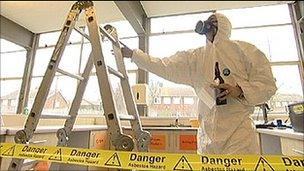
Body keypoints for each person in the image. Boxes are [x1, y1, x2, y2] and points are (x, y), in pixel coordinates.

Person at [121, 13, 277, 154]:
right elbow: (164, 66)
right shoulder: (195, 58)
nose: (209, 23)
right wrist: (134, 55)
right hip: (207, 136)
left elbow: (267, 84)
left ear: (224, 26)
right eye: (209, 20)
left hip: (239, 135)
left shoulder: (245, 51)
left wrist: (239, 90)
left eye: (214, 21)